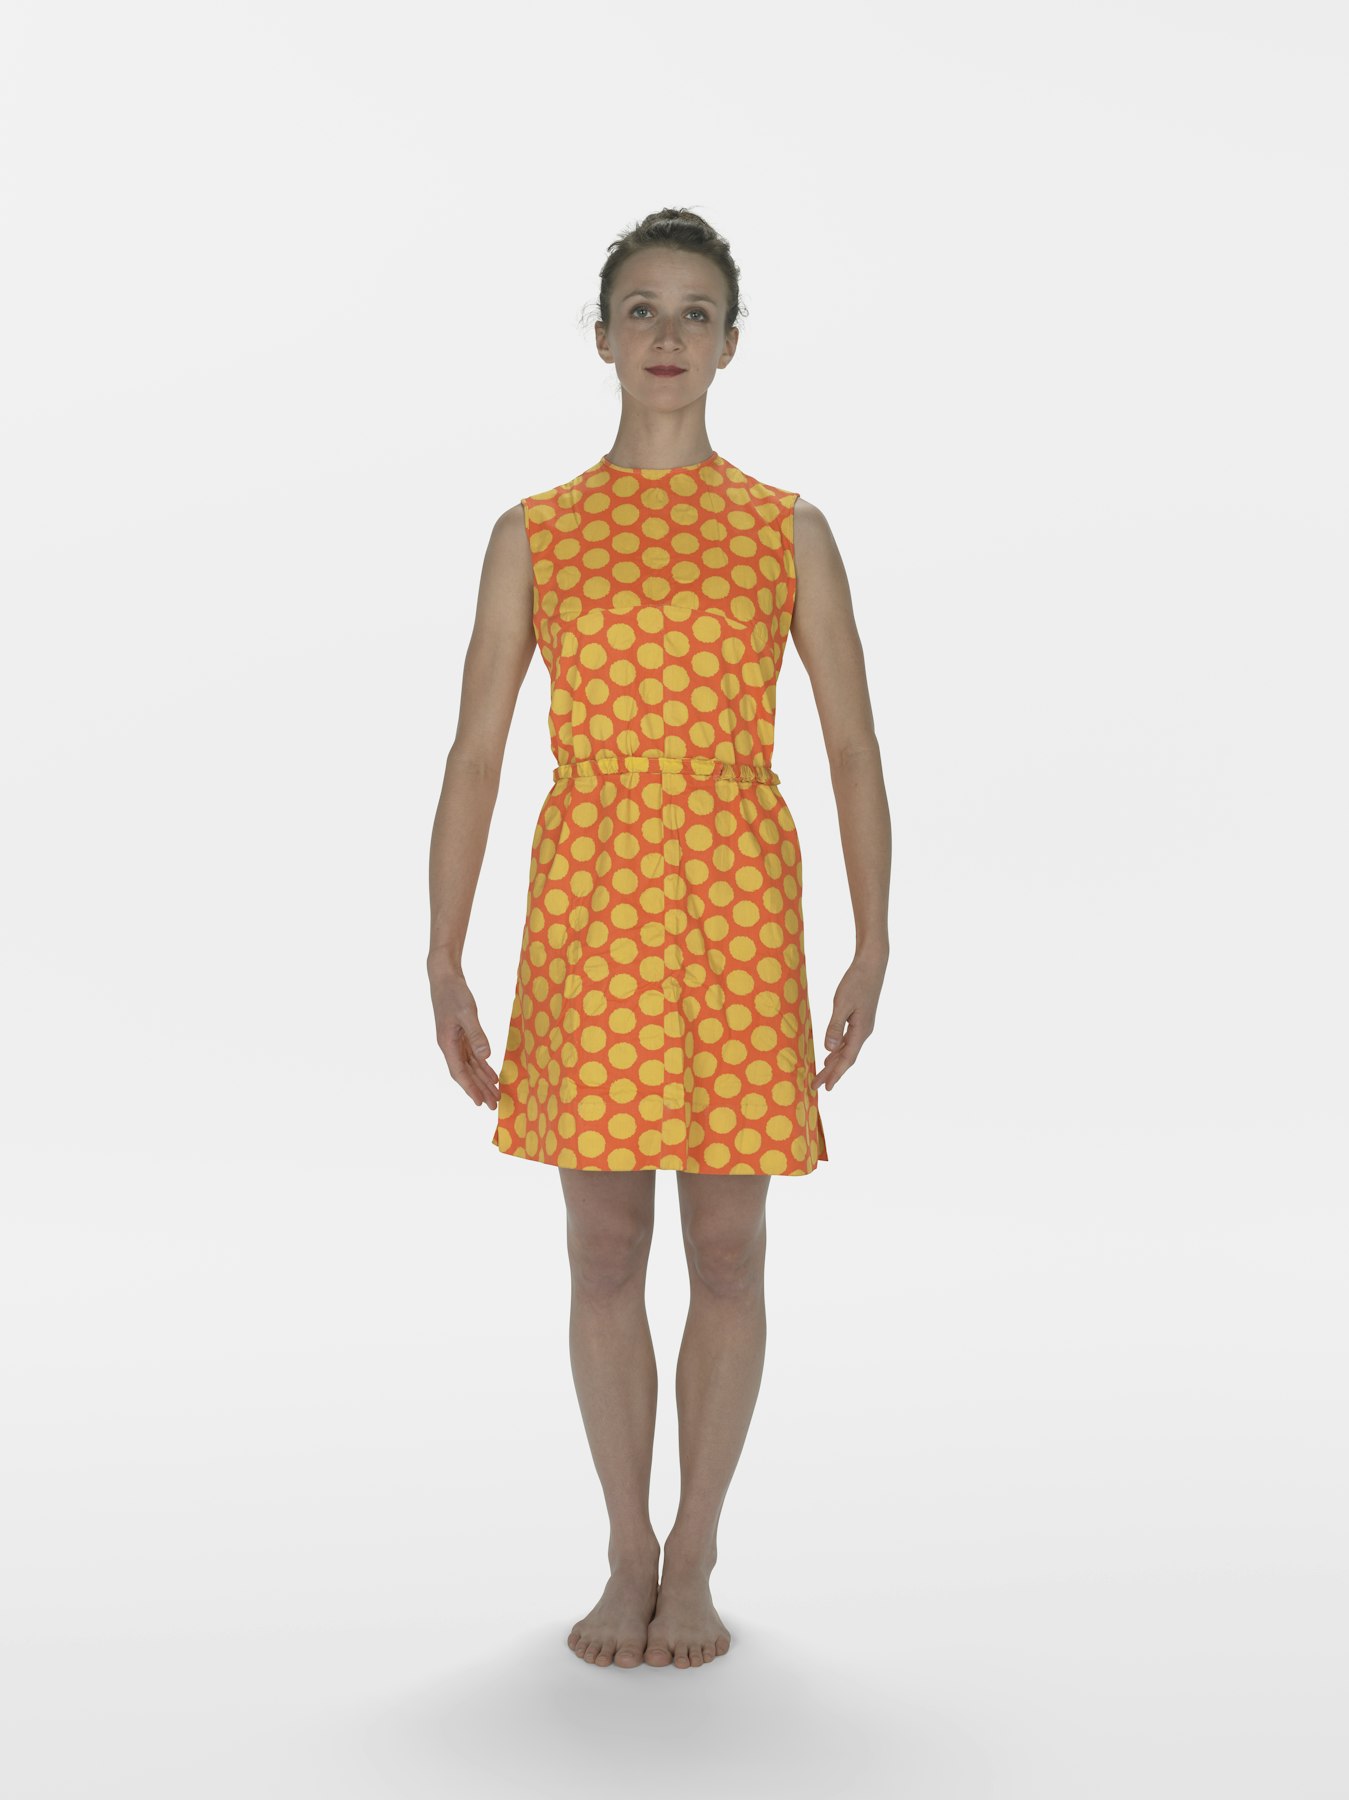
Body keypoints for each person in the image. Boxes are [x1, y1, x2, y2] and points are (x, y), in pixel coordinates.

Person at [426, 207, 890, 1670]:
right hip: (595, 894)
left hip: (739, 896)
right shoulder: (537, 532)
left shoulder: (786, 530)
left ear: (732, 344)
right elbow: (477, 754)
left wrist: (872, 940)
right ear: (602, 337)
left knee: (731, 1245)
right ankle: (625, 1544)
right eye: (642, 310)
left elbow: (853, 747)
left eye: (696, 312)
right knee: (605, 1241)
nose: (668, 336)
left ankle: (697, 1553)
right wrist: (442, 951)